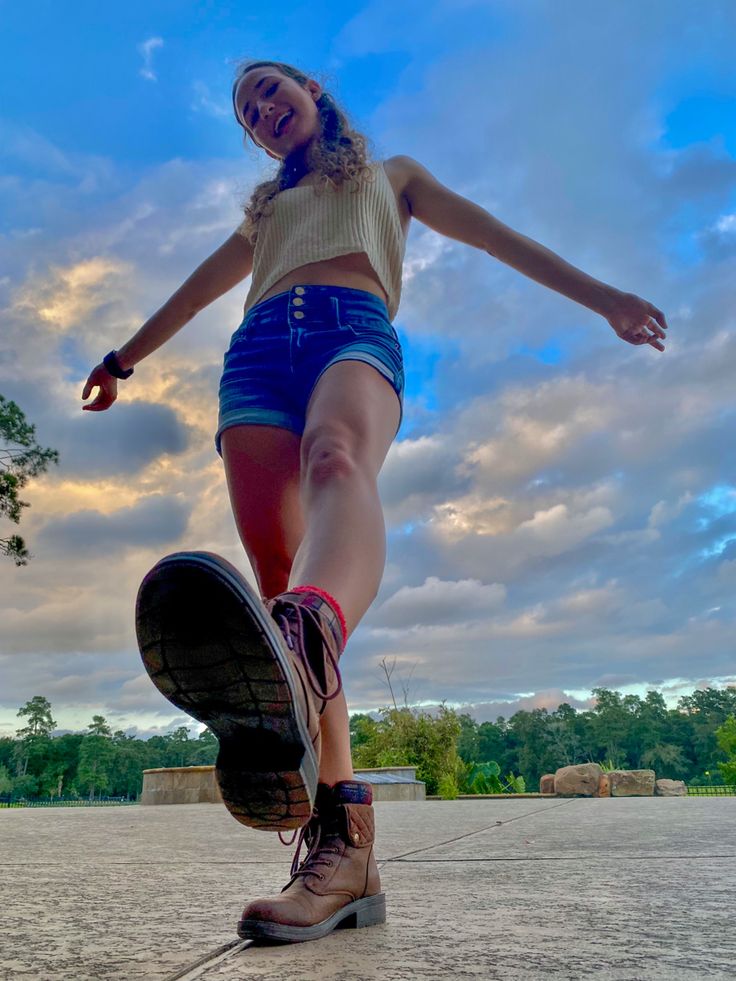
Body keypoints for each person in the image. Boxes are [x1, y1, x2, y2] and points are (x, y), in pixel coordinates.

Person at [81, 59, 669, 943]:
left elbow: (500, 240)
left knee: (336, 460)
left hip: (350, 329)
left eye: (272, 89)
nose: (263, 109)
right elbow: (196, 290)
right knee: (280, 587)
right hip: (254, 363)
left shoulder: (393, 179)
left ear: (312, 90)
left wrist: (606, 299)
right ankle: (342, 853)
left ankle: (311, 636)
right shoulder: (264, 214)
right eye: (248, 111)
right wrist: (122, 360)